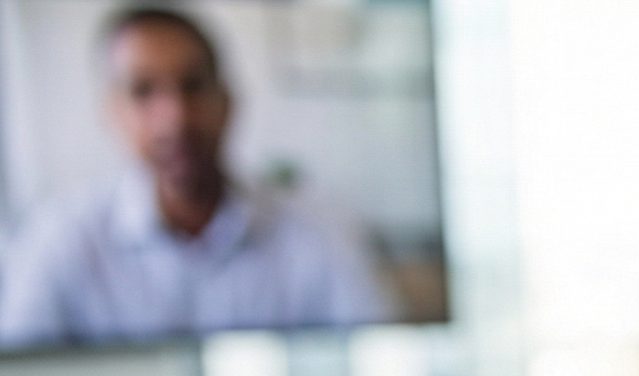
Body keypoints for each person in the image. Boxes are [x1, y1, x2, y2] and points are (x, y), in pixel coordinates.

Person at [0, 5, 389, 349]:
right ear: (111, 111)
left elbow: (382, 358)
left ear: (228, 100)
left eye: (193, 86)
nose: (175, 118)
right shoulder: (60, 240)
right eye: (143, 91)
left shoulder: (319, 232)